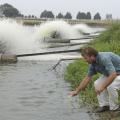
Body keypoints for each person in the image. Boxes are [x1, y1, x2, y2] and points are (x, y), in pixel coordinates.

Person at [69, 46, 120, 112]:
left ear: (92, 56)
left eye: (85, 58)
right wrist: (77, 91)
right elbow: (87, 78)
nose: (85, 60)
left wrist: (102, 87)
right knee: (97, 83)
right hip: (112, 74)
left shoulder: (104, 58)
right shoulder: (93, 63)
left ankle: (114, 107)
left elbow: (113, 74)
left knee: (111, 86)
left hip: (116, 73)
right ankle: (104, 106)